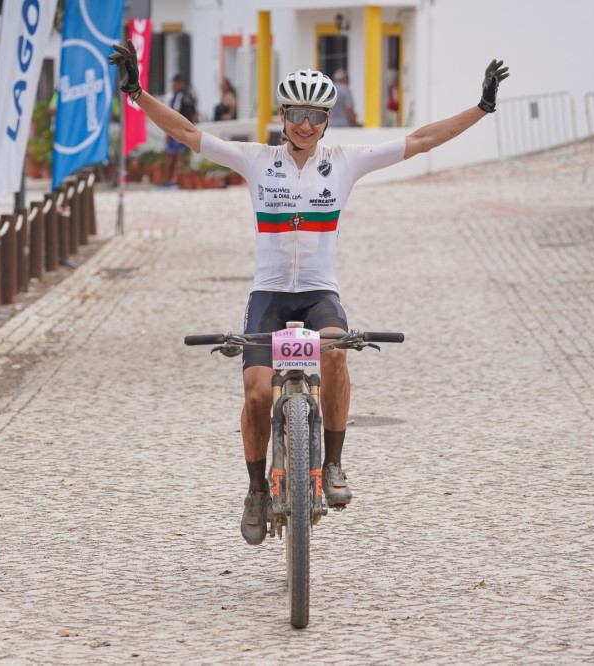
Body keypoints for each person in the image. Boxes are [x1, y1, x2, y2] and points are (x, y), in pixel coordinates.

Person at [110, 42, 508, 545]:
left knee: (338, 354)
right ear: (283, 115)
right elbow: (187, 132)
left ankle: (335, 465)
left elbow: (422, 140)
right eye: (297, 113)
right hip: (270, 295)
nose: (305, 125)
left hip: (320, 292)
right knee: (256, 393)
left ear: (326, 120)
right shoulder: (257, 161)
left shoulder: (344, 163)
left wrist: (483, 107)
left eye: (316, 116)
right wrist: (136, 92)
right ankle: (256, 490)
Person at [164, 73, 198, 186]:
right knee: (179, 156)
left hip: (177, 130)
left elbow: (174, 114)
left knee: (173, 156)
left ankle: (171, 179)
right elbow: (195, 114)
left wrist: (168, 132)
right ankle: (174, 179)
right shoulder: (190, 95)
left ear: (179, 84)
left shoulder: (179, 96)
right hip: (186, 129)